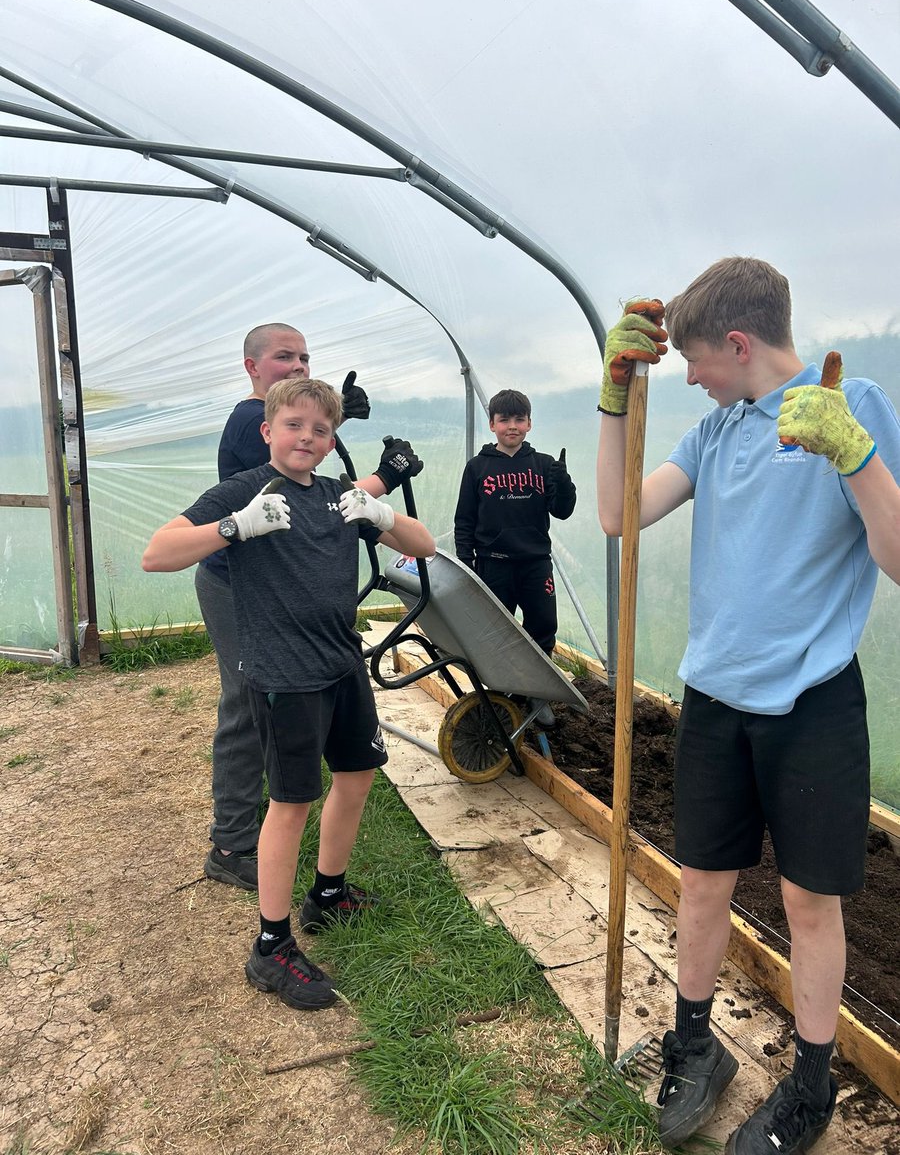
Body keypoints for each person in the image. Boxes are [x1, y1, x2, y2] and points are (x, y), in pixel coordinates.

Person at [596, 258, 900, 1154]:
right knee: (702, 882)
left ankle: (810, 1089)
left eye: (695, 360)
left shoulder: (851, 404)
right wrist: (614, 400)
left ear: (738, 343)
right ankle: (696, 1047)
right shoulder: (718, 430)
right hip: (715, 700)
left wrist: (857, 455)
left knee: (810, 904)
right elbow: (619, 514)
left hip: (810, 704)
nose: (688, 377)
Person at [143, 377, 436, 1010]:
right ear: (268, 430)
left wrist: (383, 515)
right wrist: (233, 527)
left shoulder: (337, 498)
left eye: (321, 430)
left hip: (341, 663)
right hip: (284, 676)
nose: (307, 437)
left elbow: (425, 548)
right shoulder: (246, 491)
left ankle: (327, 894)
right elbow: (157, 554)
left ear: (332, 442)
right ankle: (271, 946)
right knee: (291, 802)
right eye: (295, 425)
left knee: (357, 777)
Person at [196, 322, 422, 892]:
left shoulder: (283, 423)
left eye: (304, 358)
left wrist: (371, 493)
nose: (297, 366)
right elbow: (294, 475)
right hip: (241, 582)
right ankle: (232, 841)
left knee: (271, 713)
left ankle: (292, 857)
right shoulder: (252, 419)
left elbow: (319, 487)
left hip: (294, 591)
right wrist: (386, 477)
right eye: (283, 358)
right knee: (249, 702)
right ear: (252, 366)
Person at [453, 388, 576, 727]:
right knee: (496, 631)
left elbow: (563, 510)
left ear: (529, 424)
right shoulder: (477, 468)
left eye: (519, 419)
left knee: (542, 626)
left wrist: (564, 484)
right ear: (492, 424)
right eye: (504, 419)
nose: (512, 426)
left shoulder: (544, 465)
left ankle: (537, 694)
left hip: (535, 564)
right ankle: (499, 693)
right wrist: (468, 562)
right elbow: (464, 520)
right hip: (493, 564)